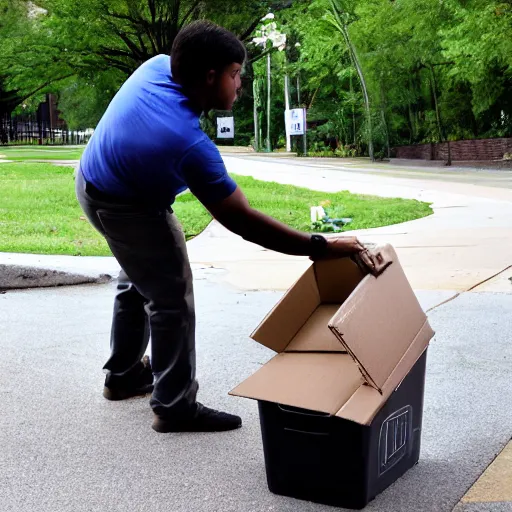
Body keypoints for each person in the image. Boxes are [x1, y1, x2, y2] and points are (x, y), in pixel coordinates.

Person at [75, 20, 373, 434]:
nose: (241, 85)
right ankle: (174, 406)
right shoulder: (185, 142)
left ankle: (123, 375)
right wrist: (321, 245)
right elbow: (244, 221)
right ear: (210, 75)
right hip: (125, 204)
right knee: (171, 297)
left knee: (140, 277)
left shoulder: (160, 65)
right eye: (236, 74)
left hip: (95, 182)